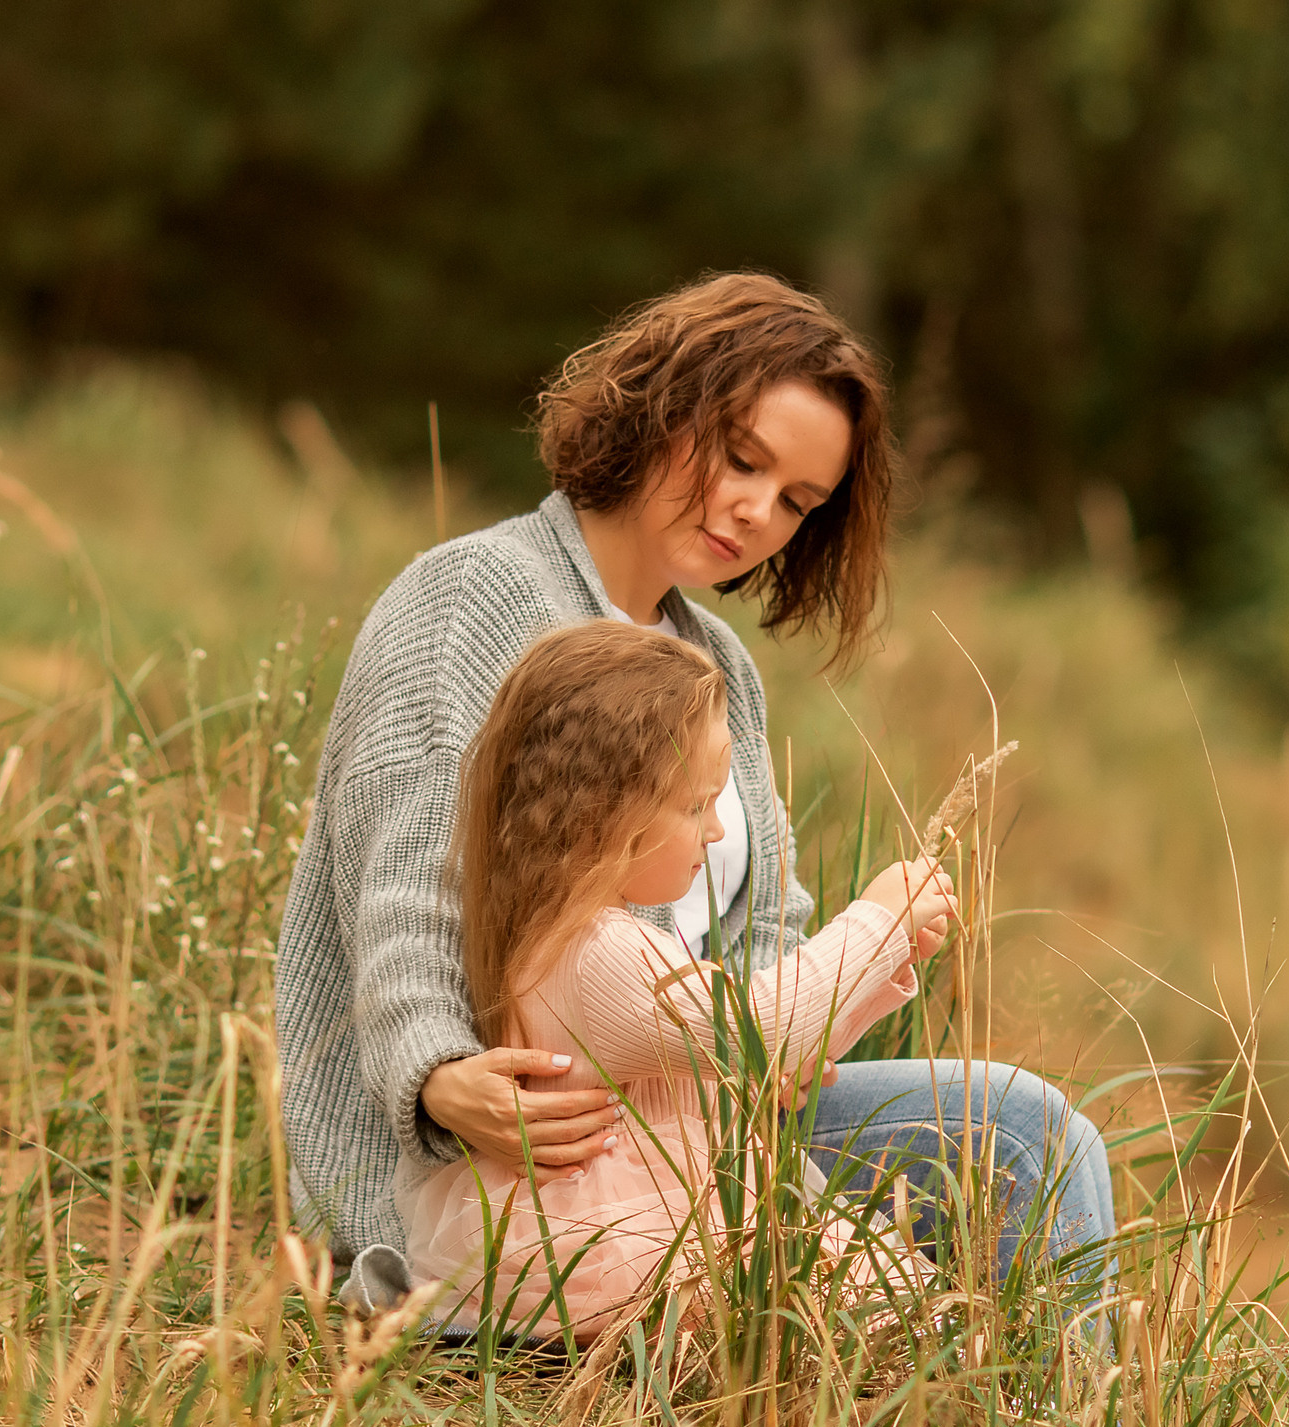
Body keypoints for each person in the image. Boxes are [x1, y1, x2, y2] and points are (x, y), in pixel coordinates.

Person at [273, 270, 1116, 1313]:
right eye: (740, 457)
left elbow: (763, 935)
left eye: (798, 502)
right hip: (516, 1160)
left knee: (1020, 1133)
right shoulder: (473, 597)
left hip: (693, 1123)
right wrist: (440, 1079)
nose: (756, 510)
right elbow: (405, 886)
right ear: (664, 406)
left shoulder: (715, 665)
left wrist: (816, 1015)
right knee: (997, 1158)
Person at [405, 621, 953, 1338]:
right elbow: (763, 1025)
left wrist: (887, 959)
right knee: (905, 1309)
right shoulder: (601, 953)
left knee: (884, 1299)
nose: (717, 831)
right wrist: (877, 921)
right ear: (605, 811)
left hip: (657, 1215)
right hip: (633, 1239)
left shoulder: (568, 931)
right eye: (696, 805)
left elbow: (768, 1044)